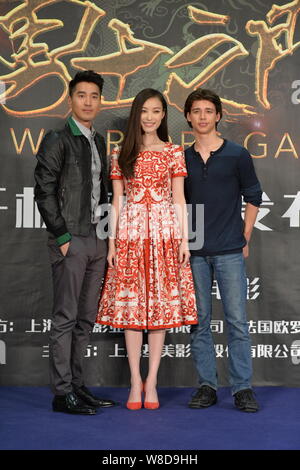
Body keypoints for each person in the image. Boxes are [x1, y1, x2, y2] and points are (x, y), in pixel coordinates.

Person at [96, 88, 198, 410]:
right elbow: (117, 201)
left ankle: (151, 380)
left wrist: (184, 239)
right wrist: (112, 242)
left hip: (166, 233)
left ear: (164, 115)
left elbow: (179, 198)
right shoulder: (120, 153)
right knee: (131, 310)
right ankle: (133, 380)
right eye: (144, 111)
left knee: (159, 312)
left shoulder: (174, 152)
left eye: (156, 111)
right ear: (136, 115)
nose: (150, 117)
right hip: (130, 233)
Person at [34, 70, 116, 415]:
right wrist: (63, 236)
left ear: (100, 101)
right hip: (71, 239)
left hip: (97, 238)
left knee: (85, 318)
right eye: (81, 95)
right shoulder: (58, 138)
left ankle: (78, 387)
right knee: (66, 317)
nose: (88, 102)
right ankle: (61, 392)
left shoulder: (97, 140)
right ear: (71, 100)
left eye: (94, 96)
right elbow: (44, 190)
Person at [183, 88, 262, 412]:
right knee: (199, 322)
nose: (202, 116)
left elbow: (253, 195)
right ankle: (206, 385)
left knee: (237, 322)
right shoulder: (180, 157)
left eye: (208, 111)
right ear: (188, 117)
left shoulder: (237, 154)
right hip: (194, 250)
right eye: (196, 111)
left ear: (218, 116)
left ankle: (242, 388)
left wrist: (244, 236)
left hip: (230, 249)